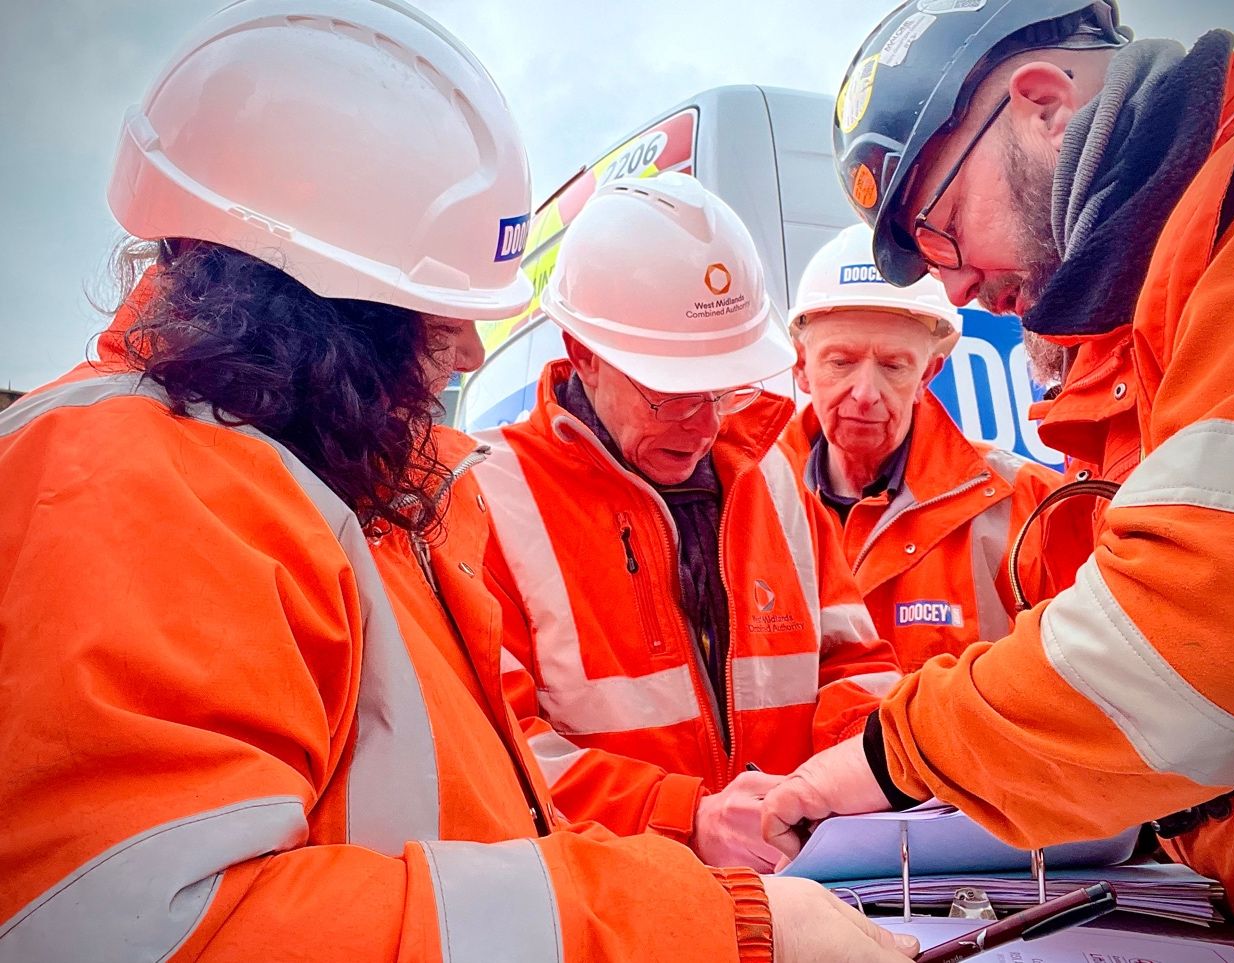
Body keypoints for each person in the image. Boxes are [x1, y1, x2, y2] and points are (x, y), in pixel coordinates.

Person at [0, 3, 922, 961]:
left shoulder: (354, 480)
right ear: (319, 298)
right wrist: (700, 909)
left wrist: (814, 802)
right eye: (441, 307)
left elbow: (488, 811)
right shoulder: (127, 480)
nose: (470, 349)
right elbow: (146, 928)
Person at [761, 0, 1234, 954]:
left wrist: (892, 752)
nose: (952, 287)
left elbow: (1199, 632)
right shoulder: (1172, 310)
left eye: (944, 226)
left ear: (1043, 105)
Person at [454, 171, 903, 872]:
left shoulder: (772, 474)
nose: (704, 424)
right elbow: (495, 754)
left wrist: (848, 776)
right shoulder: (487, 500)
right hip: (627, 911)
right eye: (670, 394)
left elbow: (853, 662)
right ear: (582, 356)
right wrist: (683, 816)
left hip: (805, 887)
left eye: (721, 388)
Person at [780, 224, 1089, 671]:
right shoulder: (747, 500)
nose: (865, 392)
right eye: (841, 362)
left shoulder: (1030, 505)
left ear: (928, 374)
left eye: (893, 365)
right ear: (802, 368)